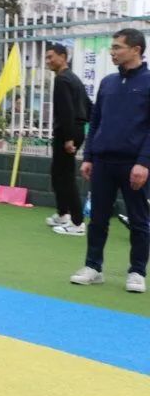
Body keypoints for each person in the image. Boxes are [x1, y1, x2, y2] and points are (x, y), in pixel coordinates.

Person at [71, 28, 150, 294]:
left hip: (134, 165)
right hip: (103, 163)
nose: (112, 52)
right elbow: (95, 123)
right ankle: (93, 267)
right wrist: (89, 156)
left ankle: (137, 271)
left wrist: (144, 162)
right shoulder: (108, 83)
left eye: (117, 47)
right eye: (112, 47)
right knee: (98, 219)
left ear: (136, 49)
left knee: (139, 221)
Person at [45, 41, 91, 236]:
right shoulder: (72, 78)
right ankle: (63, 214)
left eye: (51, 57)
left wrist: (70, 138)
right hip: (73, 130)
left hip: (68, 133)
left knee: (65, 177)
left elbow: (66, 111)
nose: (48, 61)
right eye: (46, 57)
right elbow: (89, 106)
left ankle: (78, 223)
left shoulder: (63, 79)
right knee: (57, 173)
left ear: (63, 57)